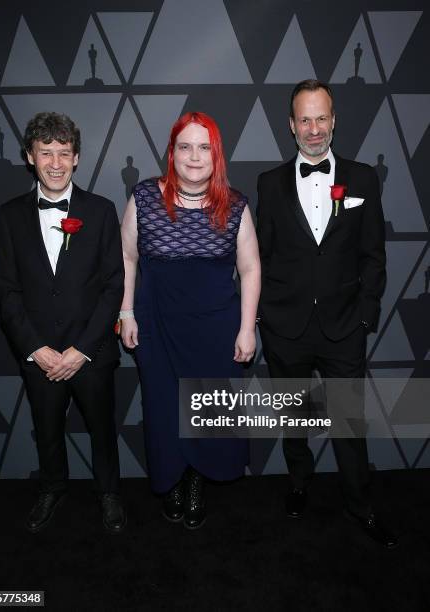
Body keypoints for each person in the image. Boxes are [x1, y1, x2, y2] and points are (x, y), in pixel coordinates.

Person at [256, 80, 397, 548]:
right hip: (287, 328)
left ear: (333, 121)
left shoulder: (362, 179)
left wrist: (365, 315)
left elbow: (373, 254)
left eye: (321, 118)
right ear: (291, 125)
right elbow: (263, 258)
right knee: (294, 418)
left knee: (348, 422)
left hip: (343, 327)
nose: (313, 129)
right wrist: (266, 318)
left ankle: (361, 504)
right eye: (304, 120)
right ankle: (298, 483)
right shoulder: (270, 184)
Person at [120, 111, 260, 529]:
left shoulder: (235, 205)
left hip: (215, 326)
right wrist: (125, 312)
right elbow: (127, 258)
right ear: (172, 152)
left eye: (204, 147)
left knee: (204, 406)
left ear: (215, 155)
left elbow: (250, 268)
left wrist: (247, 327)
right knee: (163, 407)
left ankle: (197, 478)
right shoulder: (144, 197)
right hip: (156, 323)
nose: (194, 156)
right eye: (185, 146)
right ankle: (173, 480)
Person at [0, 112, 126, 534]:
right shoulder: (9, 215)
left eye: (63, 153)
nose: (55, 163)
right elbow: (6, 289)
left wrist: (82, 350)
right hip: (40, 356)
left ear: (77, 158)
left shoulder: (102, 211)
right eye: (45, 153)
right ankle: (52, 488)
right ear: (29, 157)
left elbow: (113, 286)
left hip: (92, 353)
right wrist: (36, 349)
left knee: (103, 430)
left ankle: (109, 494)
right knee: (46, 431)